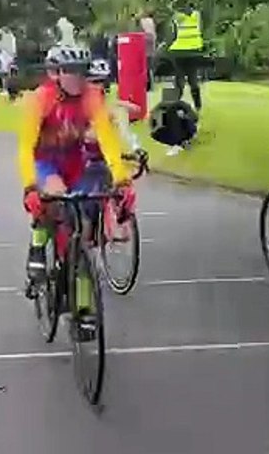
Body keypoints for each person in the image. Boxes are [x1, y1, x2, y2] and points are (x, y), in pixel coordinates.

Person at [18, 45, 132, 336]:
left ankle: (82, 309)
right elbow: (26, 147)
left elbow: (107, 140)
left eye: (82, 72)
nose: (77, 79)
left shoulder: (92, 97)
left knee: (82, 233)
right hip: (46, 163)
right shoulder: (40, 99)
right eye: (71, 72)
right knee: (54, 197)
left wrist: (122, 180)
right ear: (56, 74)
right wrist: (30, 186)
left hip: (75, 163)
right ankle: (37, 246)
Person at [165, 1, 204, 110]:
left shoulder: (177, 17)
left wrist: (166, 48)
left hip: (179, 52)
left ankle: (173, 104)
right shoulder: (196, 16)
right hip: (193, 51)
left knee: (179, 81)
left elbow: (172, 35)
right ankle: (197, 105)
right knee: (193, 80)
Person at [149, 86, 198, 154]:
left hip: (162, 137)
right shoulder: (180, 104)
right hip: (178, 136)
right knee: (186, 119)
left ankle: (180, 141)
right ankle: (184, 140)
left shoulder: (157, 108)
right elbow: (195, 118)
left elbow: (152, 126)